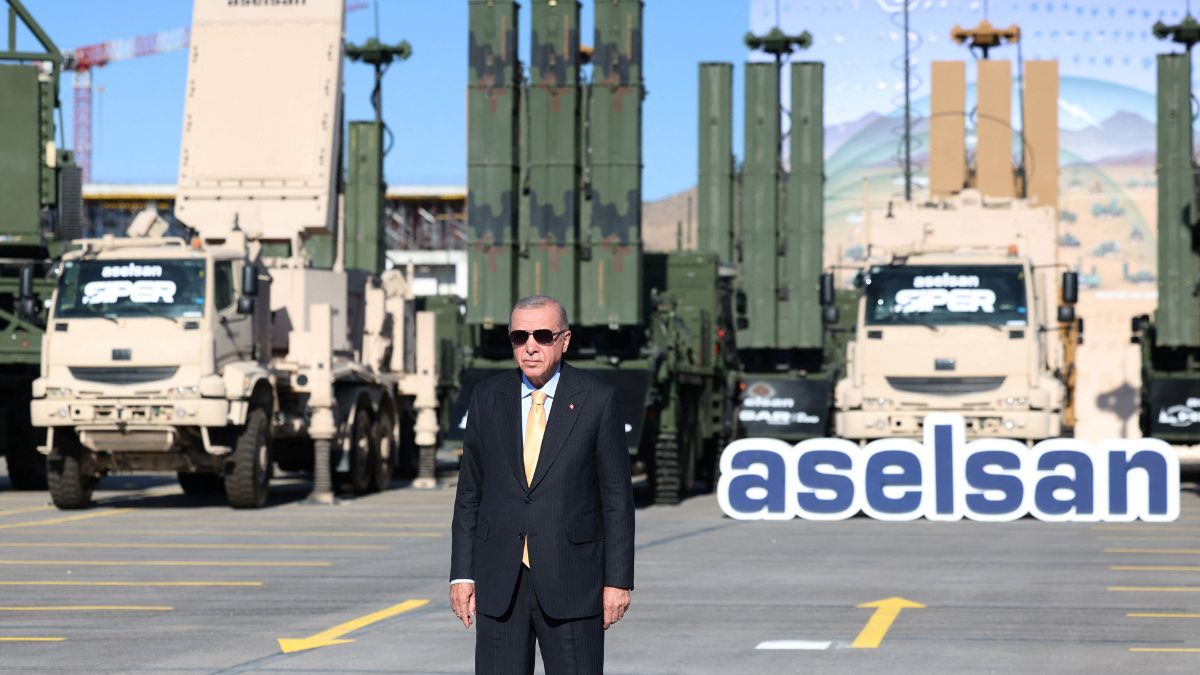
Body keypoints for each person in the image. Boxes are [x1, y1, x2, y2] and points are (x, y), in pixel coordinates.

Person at [450, 294, 635, 674]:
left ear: (564, 341)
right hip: (501, 583)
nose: (530, 346)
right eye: (520, 336)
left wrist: (617, 581)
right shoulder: (488, 398)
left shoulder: (597, 400)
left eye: (542, 335)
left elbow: (616, 498)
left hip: (574, 583)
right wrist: (462, 573)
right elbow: (470, 492)